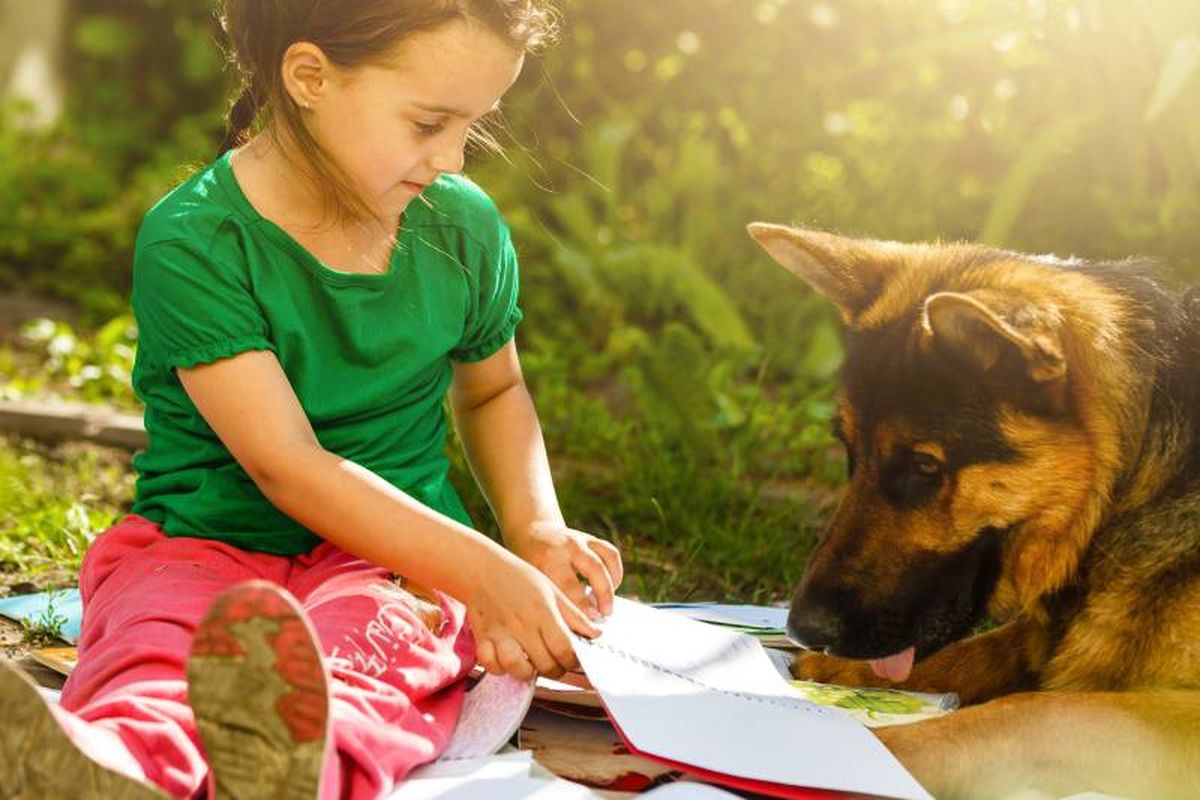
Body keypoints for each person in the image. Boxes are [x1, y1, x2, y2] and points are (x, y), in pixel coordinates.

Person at [0, 2, 624, 798]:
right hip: (203, 543)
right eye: (430, 122)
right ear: (310, 77)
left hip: (393, 567)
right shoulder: (195, 240)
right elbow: (286, 464)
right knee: (158, 651)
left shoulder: (462, 226)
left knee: (365, 661)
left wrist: (533, 528)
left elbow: (495, 386)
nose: (454, 156)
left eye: (474, 124)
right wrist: (483, 571)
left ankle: (289, 772)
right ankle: (119, 766)